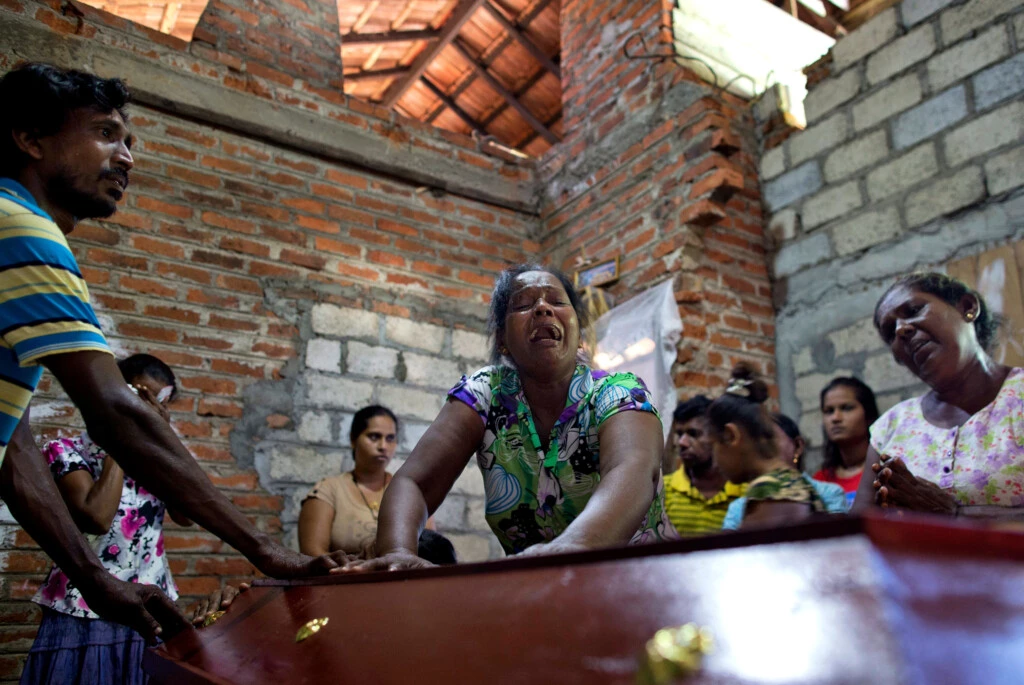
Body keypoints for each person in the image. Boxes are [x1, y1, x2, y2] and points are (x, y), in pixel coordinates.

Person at [0, 63, 346, 641]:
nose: (128, 158)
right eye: (107, 134)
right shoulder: (21, 227)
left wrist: (91, 576)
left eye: (129, 141)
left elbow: (11, 443)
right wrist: (267, 551)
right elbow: (114, 412)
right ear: (31, 139)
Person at [344, 264, 676, 571]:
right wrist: (399, 554)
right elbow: (413, 482)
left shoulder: (618, 392)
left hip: (645, 585)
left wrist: (572, 546)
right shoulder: (486, 393)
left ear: (579, 333)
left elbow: (632, 471)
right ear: (502, 339)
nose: (543, 308)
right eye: (523, 304)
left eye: (557, 301)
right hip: (538, 595)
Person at [22, 355, 190, 684]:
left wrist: (163, 441)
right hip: (85, 609)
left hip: (150, 612)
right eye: (139, 399)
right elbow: (95, 517)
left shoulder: (156, 461)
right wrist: (122, 440)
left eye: (156, 404)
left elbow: (186, 516)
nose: (145, 412)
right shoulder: (65, 450)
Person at [854, 272, 1024, 518]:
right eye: (890, 332)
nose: (901, 329)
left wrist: (956, 515)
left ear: (967, 307)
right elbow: (860, 529)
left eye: (913, 310)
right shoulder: (892, 426)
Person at [707, 365, 846, 530]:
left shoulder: (770, 492)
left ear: (731, 436)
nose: (715, 462)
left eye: (713, 446)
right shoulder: (789, 482)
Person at [298, 406, 436, 558]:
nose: (383, 446)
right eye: (374, 437)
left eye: (390, 438)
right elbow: (312, 555)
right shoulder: (328, 490)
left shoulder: (410, 492)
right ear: (353, 439)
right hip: (345, 579)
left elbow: (429, 549)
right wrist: (355, 567)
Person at [663, 396, 745, 536]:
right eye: (680, 434)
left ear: (720, 436)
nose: (682, 443)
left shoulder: (745, 493)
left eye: (693, 434)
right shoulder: (663, 491)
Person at [812, 378, 879, 508]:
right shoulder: (820, 480)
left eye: (847, 408)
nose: (835, 418)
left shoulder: (883, 473)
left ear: (868, 415)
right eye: (829, 411)